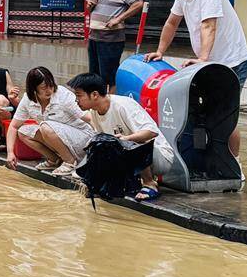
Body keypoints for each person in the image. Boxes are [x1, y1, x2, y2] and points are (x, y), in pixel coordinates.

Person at [144, 0, 247, 159]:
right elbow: (172, 23)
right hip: (210, 64)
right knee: (205, 113)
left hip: (232, 62)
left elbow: (209, 25)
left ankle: (234, 164)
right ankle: (207, 159)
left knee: (225, 115)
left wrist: (202, 58)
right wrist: (160, 51)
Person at [69, 72, 174, 202]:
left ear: (95, 95)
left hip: (159, 158)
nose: (76, 100)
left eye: (79, 96)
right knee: (99, 144)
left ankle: (149, 184)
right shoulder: (95, 112)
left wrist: (127, 138)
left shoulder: (123, 105)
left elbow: (151, 132)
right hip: (131, 158)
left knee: (130, 142)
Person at [6, 67, 93, 177]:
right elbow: (14, 126)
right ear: (34, 89)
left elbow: (89, 118)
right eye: (44, 88)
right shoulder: (28, 99)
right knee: (23, 132)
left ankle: (70, 162)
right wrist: (10, 153)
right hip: (59, 139)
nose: (49, 90)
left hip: (82, 138)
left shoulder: (62, 94)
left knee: (45, 127)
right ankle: (54, 160)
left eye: (51, 85)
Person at [86, 0, 144, 91]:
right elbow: (92, 9)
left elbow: (138, 3)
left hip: (111, 38)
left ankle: (111, 101)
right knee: (94, 74)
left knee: (109, 76)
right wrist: (90, 5)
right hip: (94, 36)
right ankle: (98, 101)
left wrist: (118, 19)